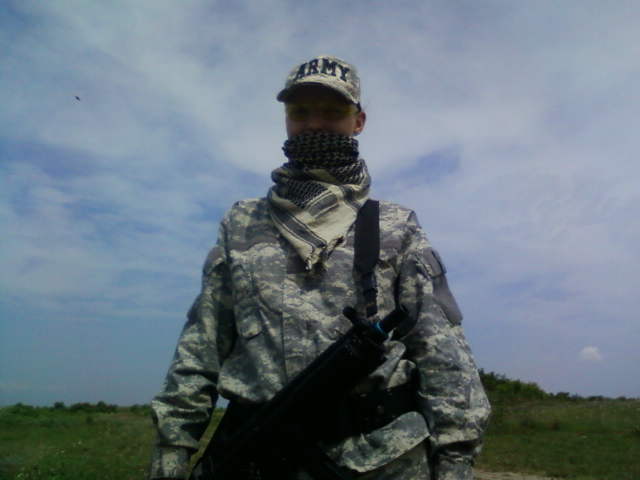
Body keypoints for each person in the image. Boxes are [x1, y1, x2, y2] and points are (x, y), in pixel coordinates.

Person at [149, 55, 491, 480]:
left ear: (358, 121)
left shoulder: (395, 226)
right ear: (286, 119)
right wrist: (173, 446)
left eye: (332, 112)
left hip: (382, 462)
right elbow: (203, 342)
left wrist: (455, 457)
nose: (314, 124)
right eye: (300, 112)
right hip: (258, 460)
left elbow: (440, 350)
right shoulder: (242, 223)